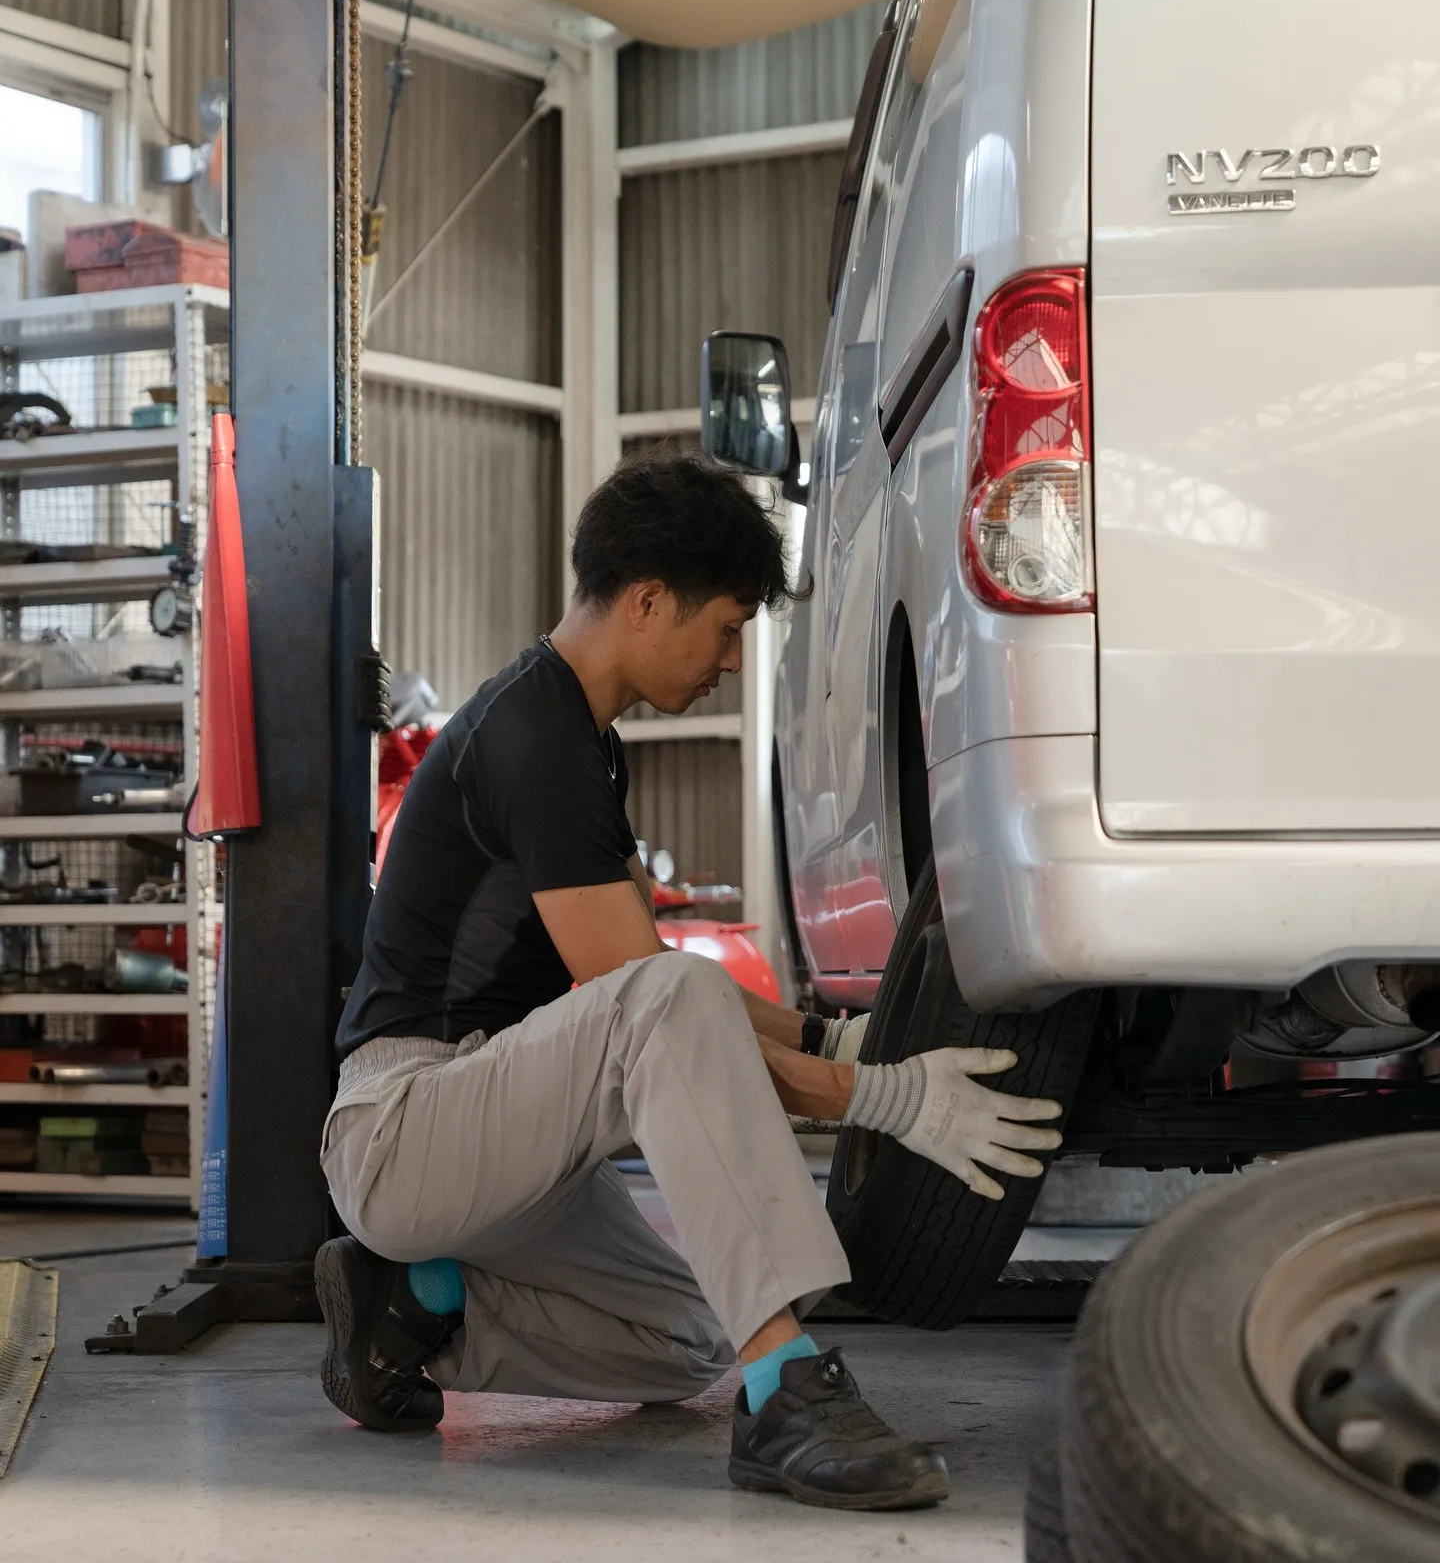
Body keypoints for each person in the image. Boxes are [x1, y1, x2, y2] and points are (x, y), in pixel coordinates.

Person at [315, 452, 1062, 1512]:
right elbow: (652, 1006)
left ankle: (422, 1310)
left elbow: (650, 979)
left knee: (691, 1330)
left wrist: (830, 1040)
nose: (729, 658)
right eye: (727, 626)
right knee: (673, 1012)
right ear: (648, 600)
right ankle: (787, 1393)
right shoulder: (531, 740)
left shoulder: (585, 742)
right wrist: (890, 1100)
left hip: (504, 1135)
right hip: (407, 1126)